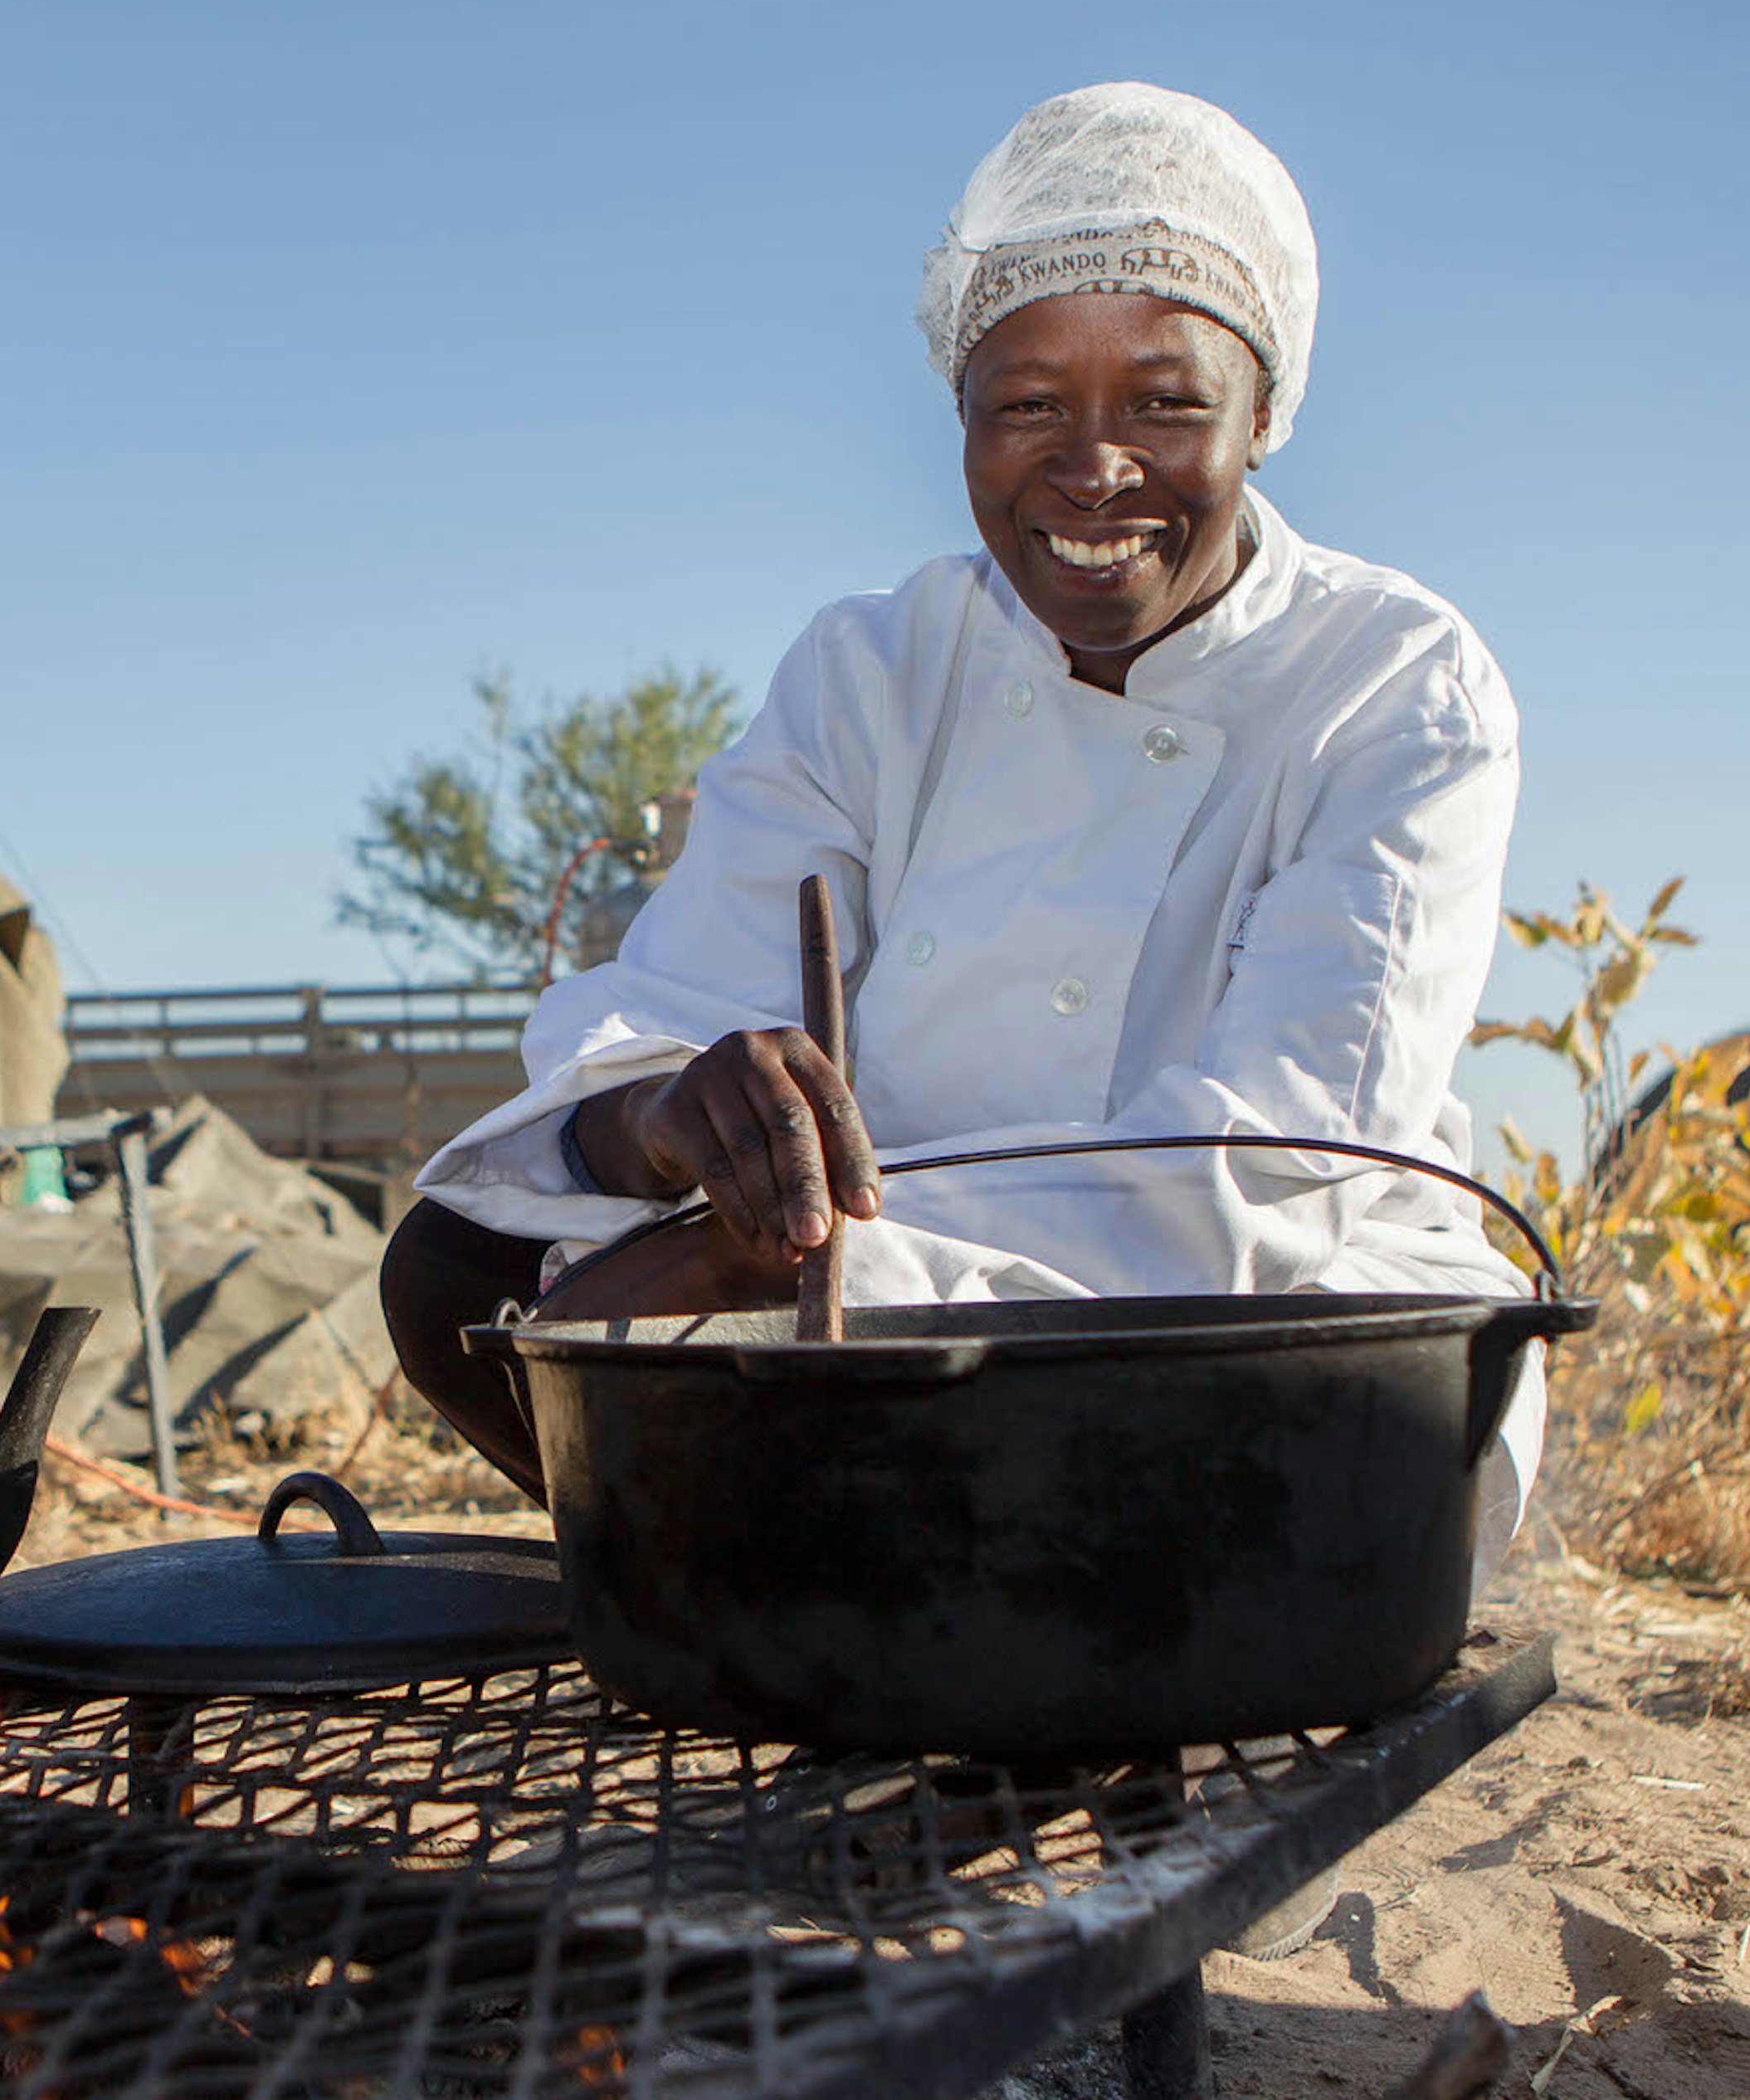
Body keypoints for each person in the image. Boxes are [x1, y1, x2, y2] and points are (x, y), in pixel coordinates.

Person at [379, 82, 1544, 1562]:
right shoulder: (877, 667)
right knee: (451, 1270)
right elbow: (677, 1003)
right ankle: (841, 1623)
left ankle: (865, 1608)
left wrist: (781, 1269)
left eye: (1168, 401)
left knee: (1316, 1418)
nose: (1092, 466)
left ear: (1266, 414)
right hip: (842, 1288)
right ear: (961, 415)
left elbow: (1267, 1170)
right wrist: (674, 1123)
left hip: (1244, 1327)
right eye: (1029, 403)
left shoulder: (1395, 683)